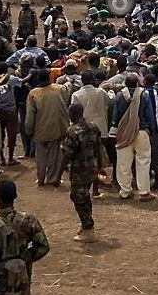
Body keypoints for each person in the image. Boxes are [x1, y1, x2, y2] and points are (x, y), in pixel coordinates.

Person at [60, 103, 104, 242]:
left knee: (78, 198)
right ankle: (86, 226)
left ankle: (88, 227)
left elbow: (67, 154)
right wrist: (100, 166)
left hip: (79, 170)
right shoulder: (93, 127)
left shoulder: (73, 131)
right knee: (85, 198)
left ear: (72, 114)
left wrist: (58, 174)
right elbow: (98, 148)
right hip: (92, 168)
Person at [112, 73, 155, 201]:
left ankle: (125, 191)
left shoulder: (119, 96)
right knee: (143, 162)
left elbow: (115, 117)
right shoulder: (144, 95)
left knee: (123, 163)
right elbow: (150, 115)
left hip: (124, 133)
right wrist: (150, 131)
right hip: (141, 131)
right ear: (137, 83)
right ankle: (144, 192)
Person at [25, 69, 70, 187]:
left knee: (40, 157)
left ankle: (40, 178)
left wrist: (29, 130)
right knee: (54, 156)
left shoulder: (34, 93)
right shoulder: (59, 89)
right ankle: (52, 178)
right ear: (50, 78)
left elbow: (30, 115)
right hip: (55, 129)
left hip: (39, 130)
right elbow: (64, 105)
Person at [70, 70, 112, 196]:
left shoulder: (77, 94)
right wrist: (109, 90)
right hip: (100, 129)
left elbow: (72, 111)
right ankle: (95, 189)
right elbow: (111, 102)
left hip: (82, 130)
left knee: (84, 160)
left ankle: (86, 187)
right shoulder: (100, 92)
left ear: (82, 80)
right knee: (98, 160)